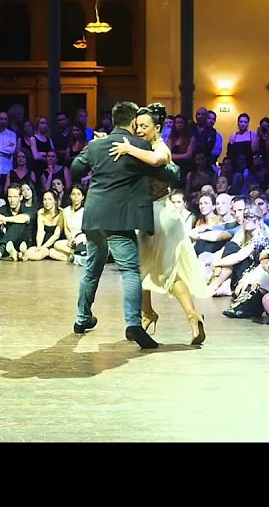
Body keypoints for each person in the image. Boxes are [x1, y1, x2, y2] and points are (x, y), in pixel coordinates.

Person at [70, 101, 178, 350]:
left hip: (94, 217)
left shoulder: (95, 145)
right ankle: (133, 324)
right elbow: (169, 175)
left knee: (92, 268)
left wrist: (93, 150)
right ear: (132, 123)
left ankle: (82, 318)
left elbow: (75, 169)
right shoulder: (139, 146)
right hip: (119, 220)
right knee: (130, 271)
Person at [108, 103, 207, 345]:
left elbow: (157, 160)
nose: (139, 130)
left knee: (167, 271)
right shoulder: (140, 145)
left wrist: (128, 148)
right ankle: (147, 312)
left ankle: (193, 317)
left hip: (161, 214)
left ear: (157, 128)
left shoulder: (159, 147)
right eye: (136, 126)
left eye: (144, 126)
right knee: (140, 268)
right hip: (146, 215)